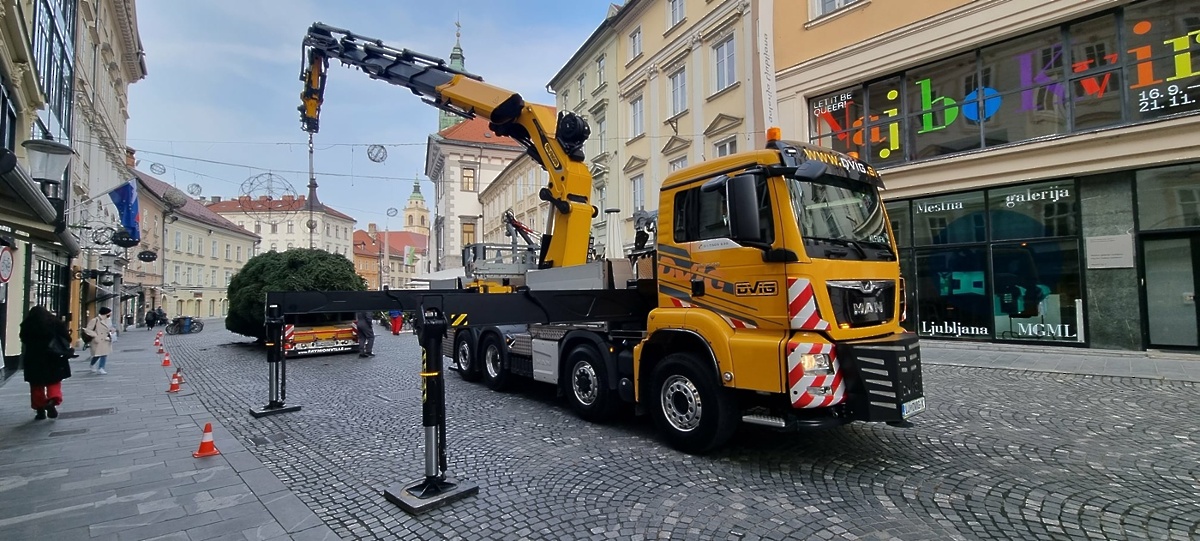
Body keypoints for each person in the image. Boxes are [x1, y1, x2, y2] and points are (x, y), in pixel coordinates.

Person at [19, 305, 72, 420]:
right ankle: (52, 401)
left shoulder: (27, 324)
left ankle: (40, 409)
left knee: (36, 385)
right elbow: (66, 337)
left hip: (34, 358)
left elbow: (23, 338)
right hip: (52, 357)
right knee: (53, 382)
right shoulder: (54, 322)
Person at [83, 307, 116, 374]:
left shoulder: (108, 320)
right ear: (105, 313)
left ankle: (101, 368)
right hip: (97, 340)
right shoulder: (95, 320)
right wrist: (95, 336)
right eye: (109, 313)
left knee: (104, 354)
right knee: (97, 355)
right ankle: (92, 364)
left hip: (106, 340)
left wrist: (112, 330)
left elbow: (109, 328)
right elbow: (88, 330)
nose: (110, 314)